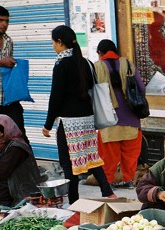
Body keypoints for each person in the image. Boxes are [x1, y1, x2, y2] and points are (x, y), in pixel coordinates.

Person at [41, 25, 115, 204]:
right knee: (91, 156)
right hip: (87, 119)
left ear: (60, 42)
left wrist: (48, 124)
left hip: (69, 122)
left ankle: (74, 201)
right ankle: (108, 192)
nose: (53, 46)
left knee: (68, 163)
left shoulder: (61, 64)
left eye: (53, 42)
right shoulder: (86, 62)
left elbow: (55, 97)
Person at [94, 39, 146, 190]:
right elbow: (141, 88)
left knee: (108, 155)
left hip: (108, 119)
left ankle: (108, 182)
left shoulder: (97, 67)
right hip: (131, 118)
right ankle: (128, 180)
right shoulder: (128, 64)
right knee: (130, 153)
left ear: (100, 53)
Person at [0, 5, 27, 144]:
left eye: (7, 21)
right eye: (0, 20)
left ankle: (28, 166)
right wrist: (1, 62)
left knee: (19, 136)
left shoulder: (9, 41)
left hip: (10, 100)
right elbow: (2, 63)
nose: (4, 24)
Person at [0, 115, 42, 207]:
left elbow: (0, 172)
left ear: (1, 132)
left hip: (16, 193)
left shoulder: (16, 148)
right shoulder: (1, 145)